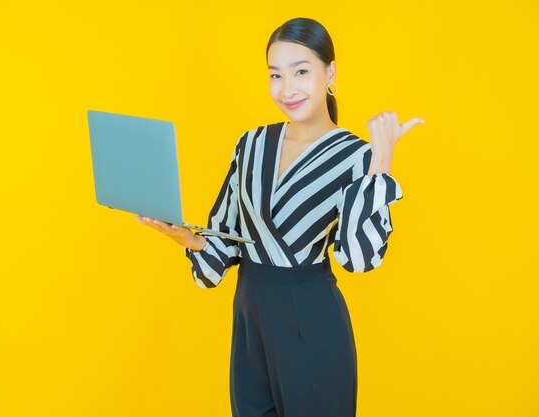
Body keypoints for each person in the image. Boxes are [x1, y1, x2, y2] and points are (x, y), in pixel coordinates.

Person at [136, 16, 424, 417]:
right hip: (251, 320)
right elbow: (226, 236)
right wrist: (188, 239)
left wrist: (381, 164)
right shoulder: (251, 144)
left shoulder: (355, 156)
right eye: (275, 75)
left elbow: (358, 259)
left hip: (312, 321)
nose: (287, 89)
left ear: (331, 71)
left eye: (301, 71)